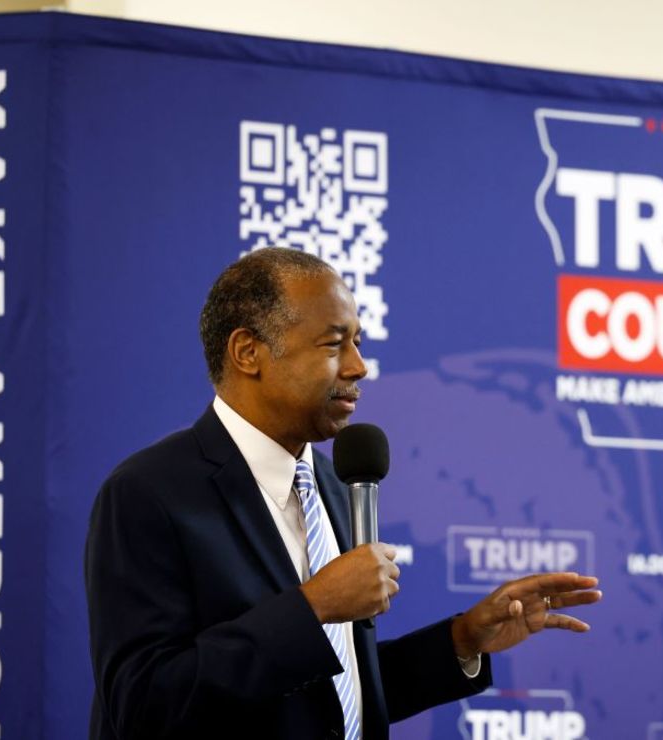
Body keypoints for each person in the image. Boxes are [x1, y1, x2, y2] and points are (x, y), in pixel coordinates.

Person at [85, 248, 602, 739]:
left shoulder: (334, 484)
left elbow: (334, 694)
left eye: (357, 342)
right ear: (248, 352)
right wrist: (312, 608)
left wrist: (464, 638)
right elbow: (143, 704)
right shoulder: (148, 493)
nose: (359, 367)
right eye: (334, 344)